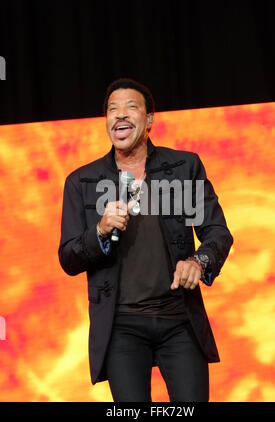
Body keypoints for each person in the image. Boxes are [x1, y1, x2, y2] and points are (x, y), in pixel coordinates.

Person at [58, 78, 233, 402]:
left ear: (150, 119)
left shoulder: (183, 167)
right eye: (112, 109)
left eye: (131, 107)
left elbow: (217, 232)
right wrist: (98, 231)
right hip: (121, 327)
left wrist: (199, 261)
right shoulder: (82, 181)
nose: (120, 115)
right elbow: (69, 257)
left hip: (179, 320)